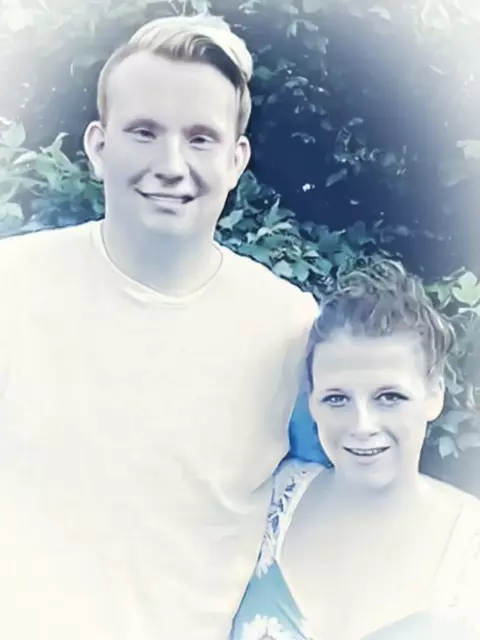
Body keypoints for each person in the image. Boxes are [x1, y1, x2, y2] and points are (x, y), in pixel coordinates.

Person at [0, 14, 320, 640]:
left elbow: (343, 498)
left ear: (236, 159)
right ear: (99, 146)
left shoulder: (291, 328)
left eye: (201, 138)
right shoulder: (9, 285)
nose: (172, 164)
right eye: (144, 132)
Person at [231, 260, 480, 640]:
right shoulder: (269, 501)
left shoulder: (469, 551)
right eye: (337, 398)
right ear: (311, 401)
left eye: (389, 397)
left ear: (434, 395)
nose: (362, 425)